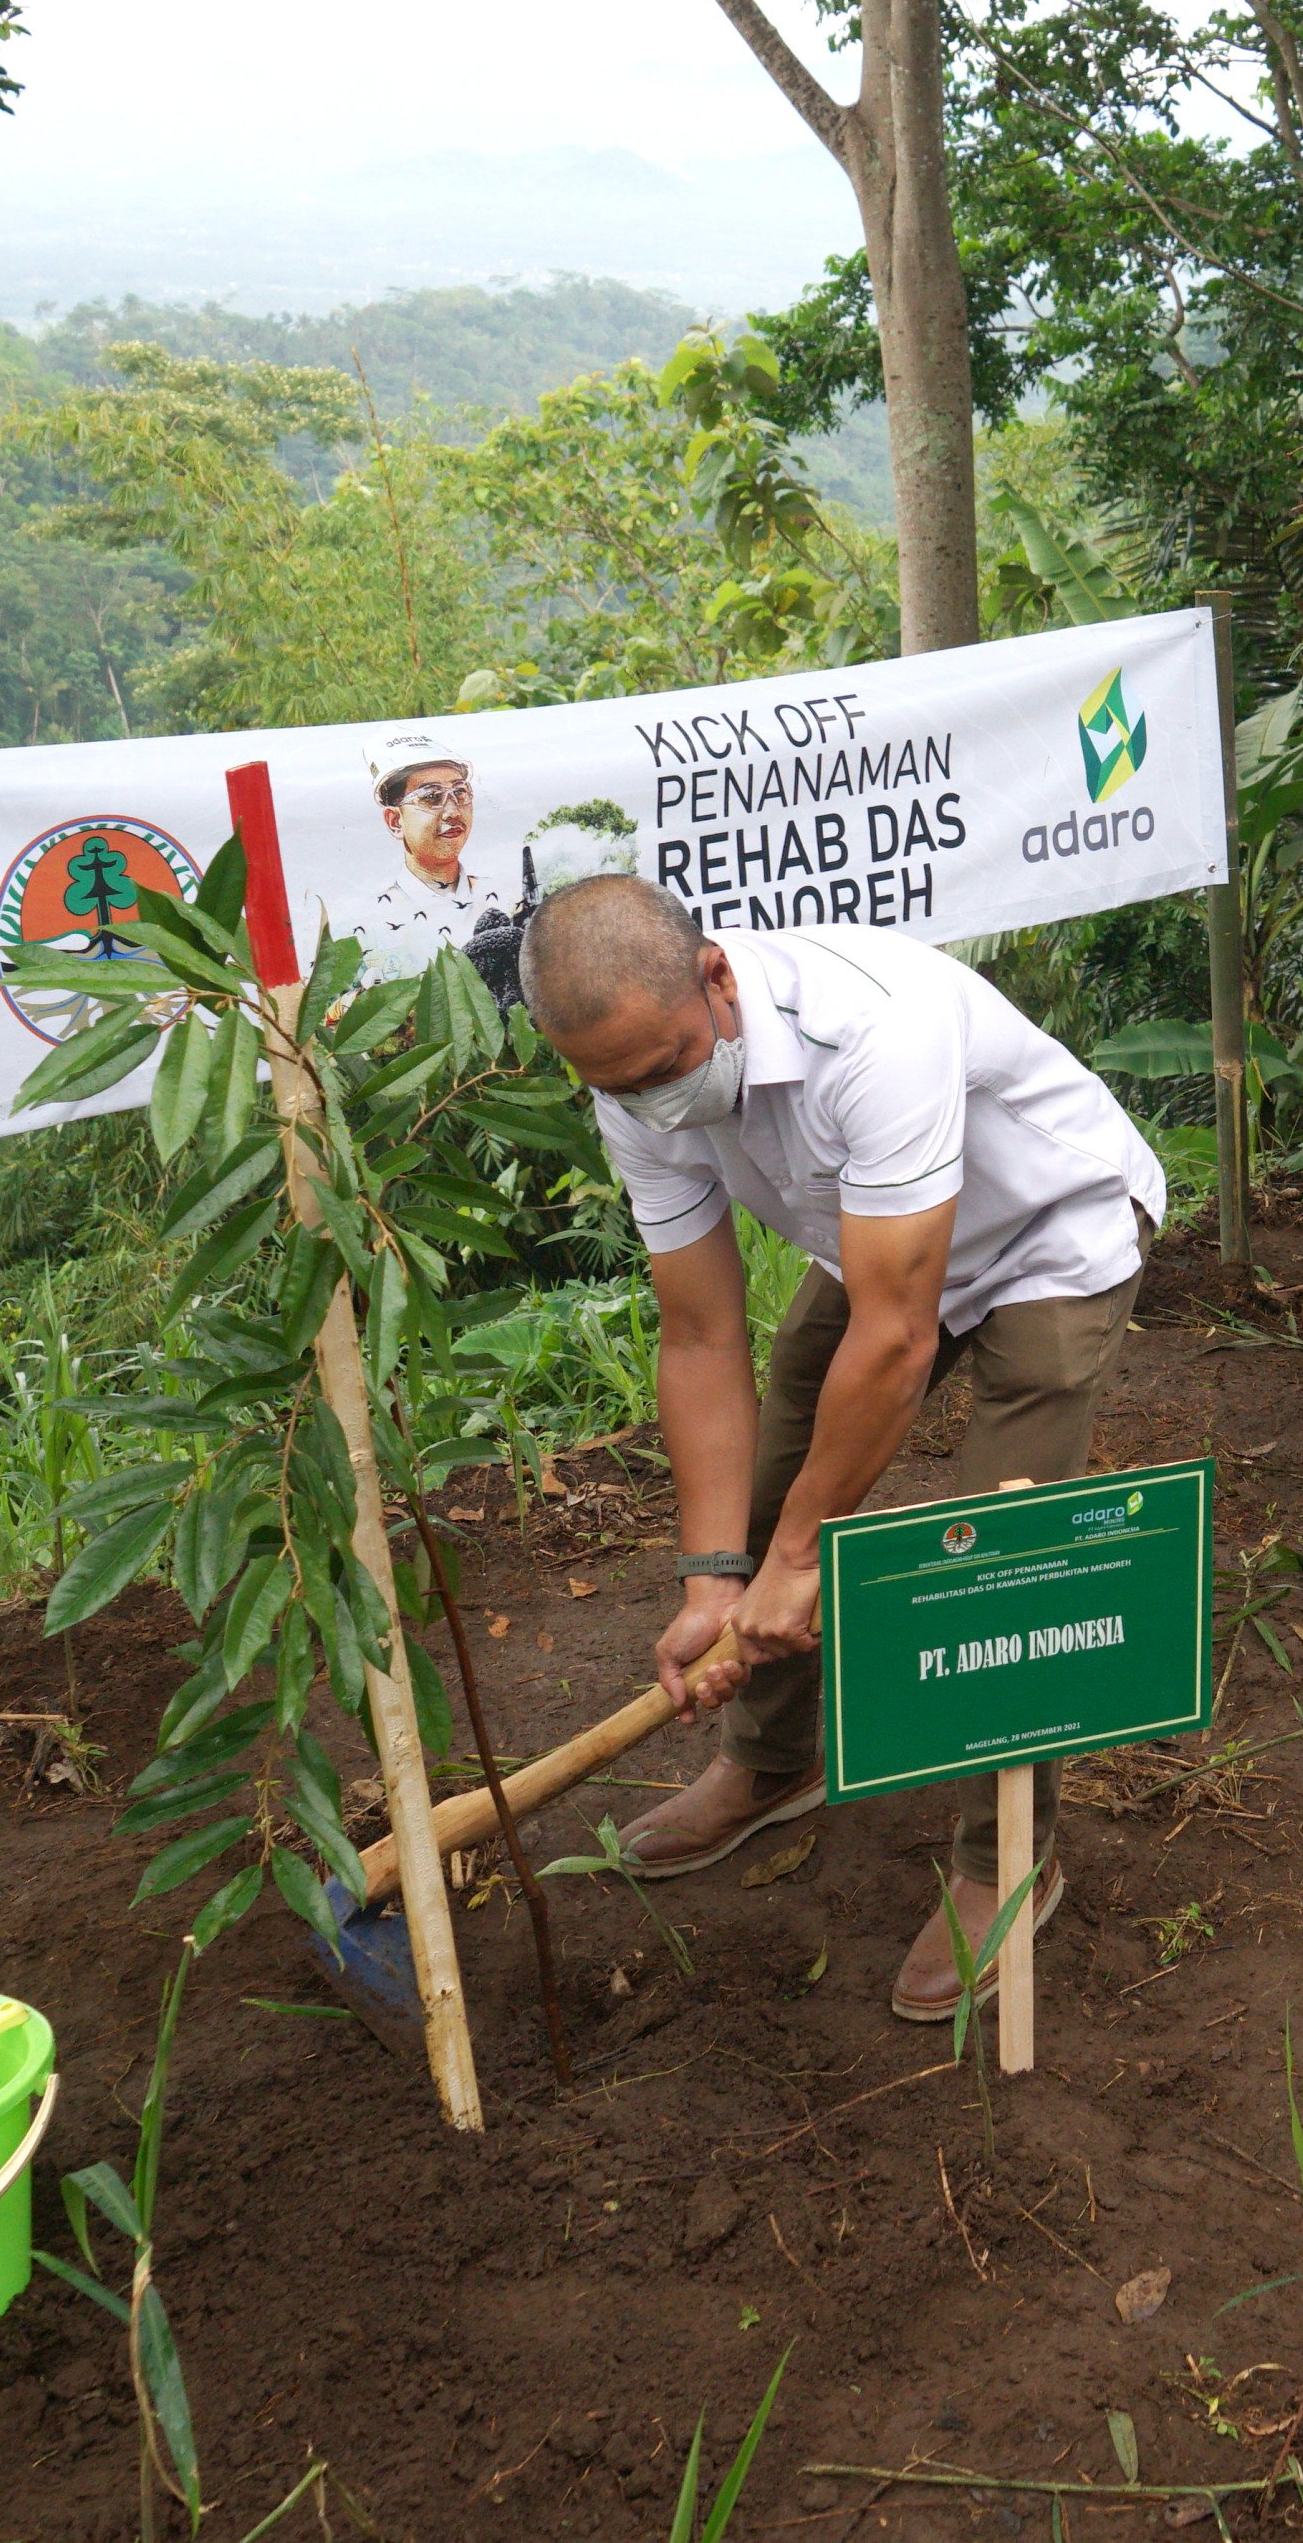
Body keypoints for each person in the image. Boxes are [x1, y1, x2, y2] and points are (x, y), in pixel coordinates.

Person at [516, 879, 1166, 2020]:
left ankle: (1003, 1856)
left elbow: (900, 1337)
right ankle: (771, 1758)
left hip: (1044, 1237)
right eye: (614, 1086)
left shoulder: (874, 1025)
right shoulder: (632, 1078)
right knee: (769, 1485)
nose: (652, 1103)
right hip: (874, 1240)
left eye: (665, 1067)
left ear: (717, 977)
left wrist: (802, 1560)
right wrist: (720, 1578)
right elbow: (702, 1331)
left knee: (995, 1550)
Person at [346, 728, 514, 982]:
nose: (453, 812)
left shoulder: (509, 900)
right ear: (395, 822)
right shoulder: (363, 928)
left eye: (460, 793)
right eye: (431, 797)